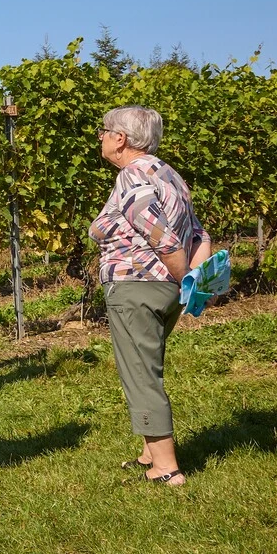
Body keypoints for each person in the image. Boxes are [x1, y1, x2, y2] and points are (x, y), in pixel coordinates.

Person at [90, 106, 208, 488]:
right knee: (148, 364)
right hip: (165, 289)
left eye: (104, 131)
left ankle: (167, 468)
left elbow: (161, 236)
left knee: (141, 375)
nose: (101, 137)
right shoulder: (168, 174)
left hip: (136, 286)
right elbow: (199, 235)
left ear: (120, 139)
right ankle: (148, 451)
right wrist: (191, 283)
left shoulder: (132, 176)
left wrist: (186, 278)